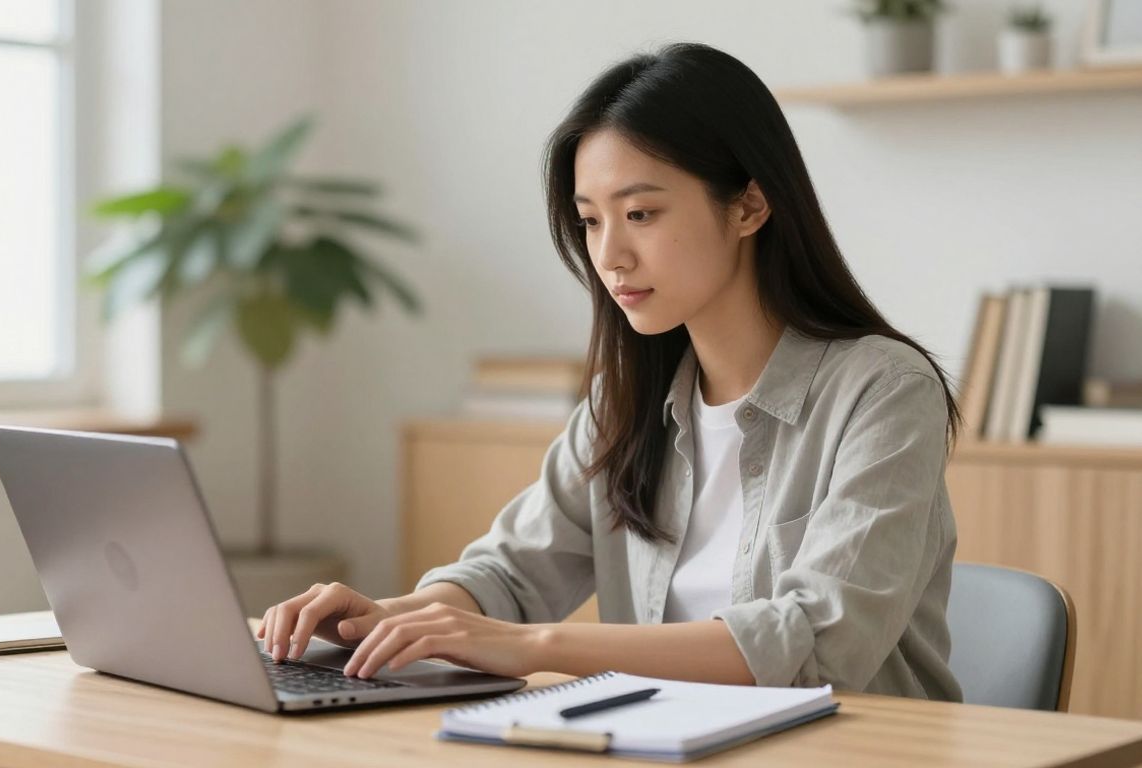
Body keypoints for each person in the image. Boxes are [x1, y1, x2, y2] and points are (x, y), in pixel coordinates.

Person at [258, 41, 964, 701]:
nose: (610, 255)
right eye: (591, 220)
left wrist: (531, 645)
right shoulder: (622, 402)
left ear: (749, 205)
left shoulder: (883, 390)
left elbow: (818, 644)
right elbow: (509, 574)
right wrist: (382, 619)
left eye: (641, 213)